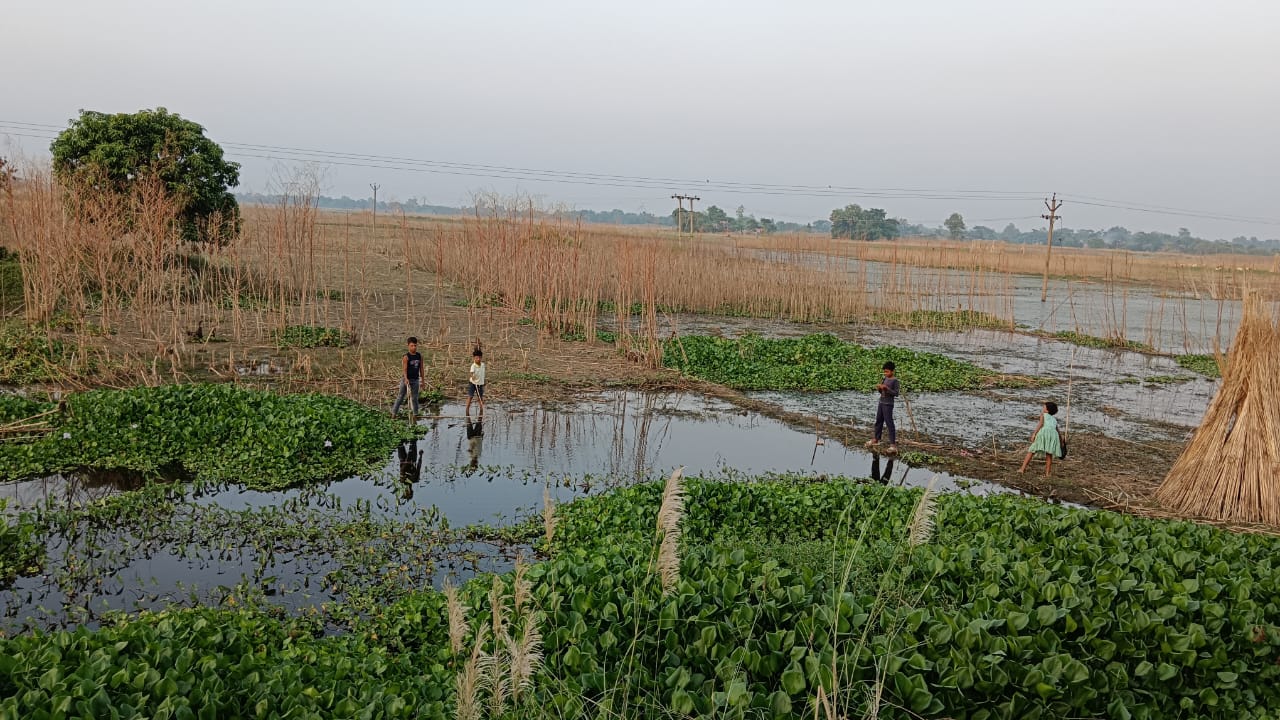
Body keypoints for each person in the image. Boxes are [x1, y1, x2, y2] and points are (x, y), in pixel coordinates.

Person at [1019, 401, 1064, 476]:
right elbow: (1057, 431)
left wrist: (1034, 434)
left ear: (1047, 410)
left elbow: (1040, 424)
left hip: (1044, 434)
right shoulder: (1054, 419)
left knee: (1032, 450)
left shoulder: (1043, 415)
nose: (1043, 408)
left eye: (1044, 407)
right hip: (1053, 435)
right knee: (1049, 454)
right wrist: (1061, 440)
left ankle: (1022, 469)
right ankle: (1047, 473)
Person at [865, 361, 899, 453]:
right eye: (884, 372)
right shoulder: (885, 379)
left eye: (887, 372)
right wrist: (879, 388)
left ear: (892, 371)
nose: (885, 373)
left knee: (889, 423)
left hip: (888, 404)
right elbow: (882, 392)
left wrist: (886, 388)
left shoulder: (895, 381)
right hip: (881, 402)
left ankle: (893, 445)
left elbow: (896, 393)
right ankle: (876, 439)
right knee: (878, 421)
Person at [392, 337, 425, 418]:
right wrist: (406, 379)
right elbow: (404, 369)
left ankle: (415, 415)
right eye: (412, 346)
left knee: (414, 398)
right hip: (406, 380)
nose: (414, 347)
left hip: (415, 380)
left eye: (415, 345)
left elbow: (421, 368)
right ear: (408, 346)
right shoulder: (406, 357)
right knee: (400, 397)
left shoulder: (419, 356)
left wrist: (423, 381)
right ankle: (393, 413)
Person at [465, 347, 486, 416]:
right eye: (477, 358)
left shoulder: (483, 365)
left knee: (480, 397)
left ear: (481, 358)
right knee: (470, 396)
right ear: (474, 358)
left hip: (480, 384)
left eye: (479, 357)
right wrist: (473, 377)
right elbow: (471, 373)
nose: (478, 359)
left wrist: (483, 382)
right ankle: (467, 410)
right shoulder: (473, 366)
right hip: (473, 383)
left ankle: (481, 410)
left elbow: (482, 374)